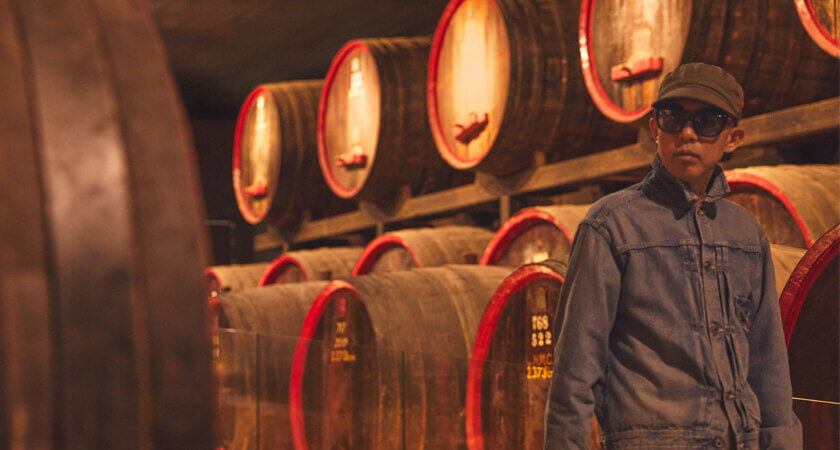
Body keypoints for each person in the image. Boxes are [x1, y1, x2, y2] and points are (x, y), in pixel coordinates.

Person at [544, 63, 802, 449]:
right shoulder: (612, 225)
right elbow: (575, 369)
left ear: (732, 138)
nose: (686, 133)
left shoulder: (746, 234)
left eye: (708, 121)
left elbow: (769, 365)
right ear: (654, 130)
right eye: (672, 117)